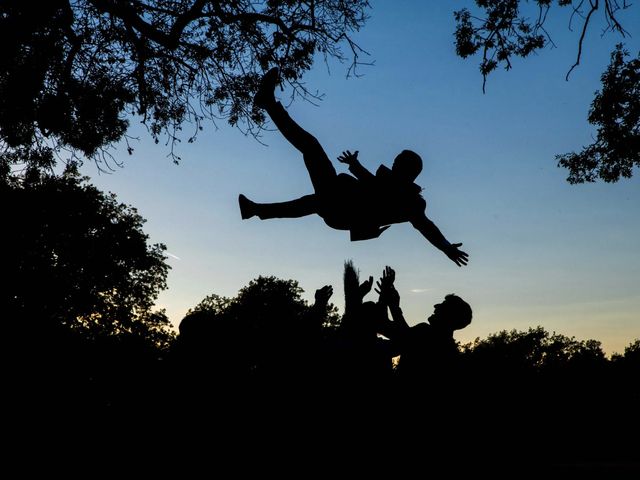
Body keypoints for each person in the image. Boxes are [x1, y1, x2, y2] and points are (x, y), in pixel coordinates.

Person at [239, 67, 469, 267]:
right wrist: (355, 166)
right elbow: (375, 186)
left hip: (345, 213)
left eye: (398, 163)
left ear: (408, 171)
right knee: (311, 151)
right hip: (340, 197)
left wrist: (447, 248)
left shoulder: (412, 203)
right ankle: (254, 208)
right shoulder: (389, 184)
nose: (393, 164)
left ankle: (267, 104)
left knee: (315, 189)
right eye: (395, 160)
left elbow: (426, 227)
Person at [374, 266, 472, 381]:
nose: (436, 306)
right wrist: (386, 299)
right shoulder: (446, 346)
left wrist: (390, 302)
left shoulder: (432, 338)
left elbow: (402, 334)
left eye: (443, 305)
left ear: (450, 316)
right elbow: (386, 326)